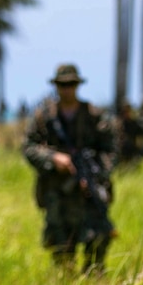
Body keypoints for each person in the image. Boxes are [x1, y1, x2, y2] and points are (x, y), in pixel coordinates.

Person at [22, 63, 119, 274]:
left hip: (88, 195)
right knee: (62, 253)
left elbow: (111, 151)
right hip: (57, 194)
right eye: (62, 85)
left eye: (71, 84)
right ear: (56, 86)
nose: (67, 89)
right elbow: (28, 147)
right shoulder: (44, 117)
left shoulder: (95, 116)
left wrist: (95, 175)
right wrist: (53, 158)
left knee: (97, 246)